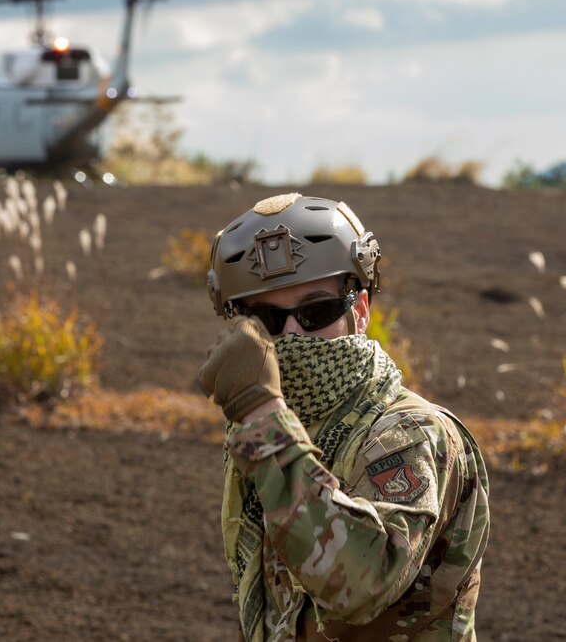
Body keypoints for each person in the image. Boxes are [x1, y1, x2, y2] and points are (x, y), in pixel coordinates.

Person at [198, 193, 490, 641]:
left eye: (316, 312)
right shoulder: (282, 428)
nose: (294, 334)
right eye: (267, 319)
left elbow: (361, 582)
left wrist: (262, 417)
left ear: (360, 311)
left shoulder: (412, 432)